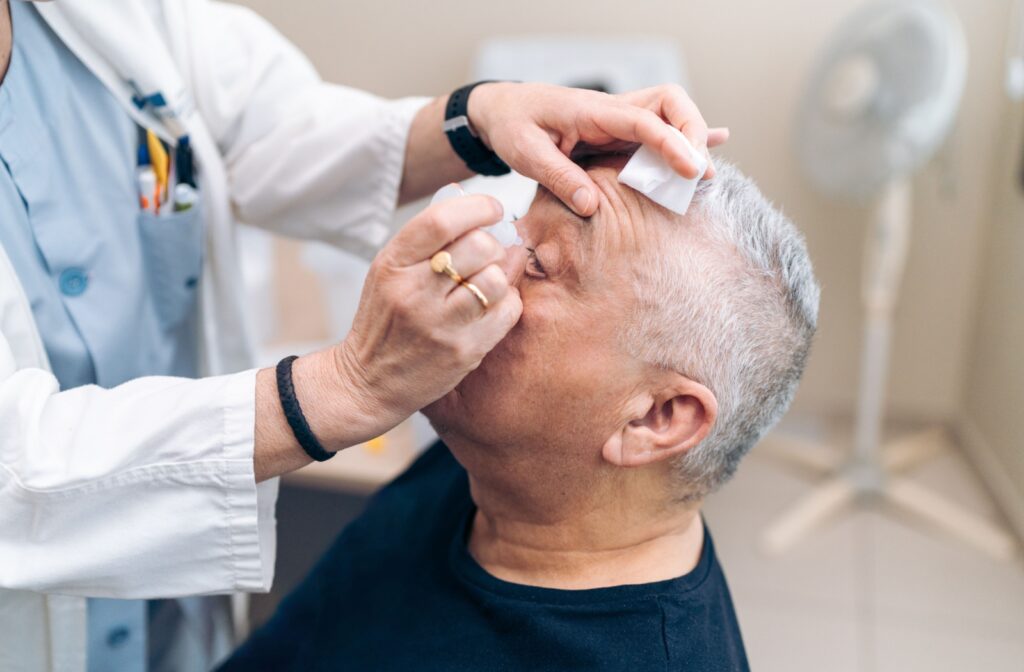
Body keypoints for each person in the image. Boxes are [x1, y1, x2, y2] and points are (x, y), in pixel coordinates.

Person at [0, 0, 731, 669]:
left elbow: (275, 129)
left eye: (540, 263)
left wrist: (482, 115)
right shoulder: (460, 478)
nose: (499, 267)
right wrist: (340, 388)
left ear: (661, 416)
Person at [221, 156, 821, 671]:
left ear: (655, 418)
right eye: (516, 232)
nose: (481, 266)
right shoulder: (489, 458)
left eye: (538, 264)